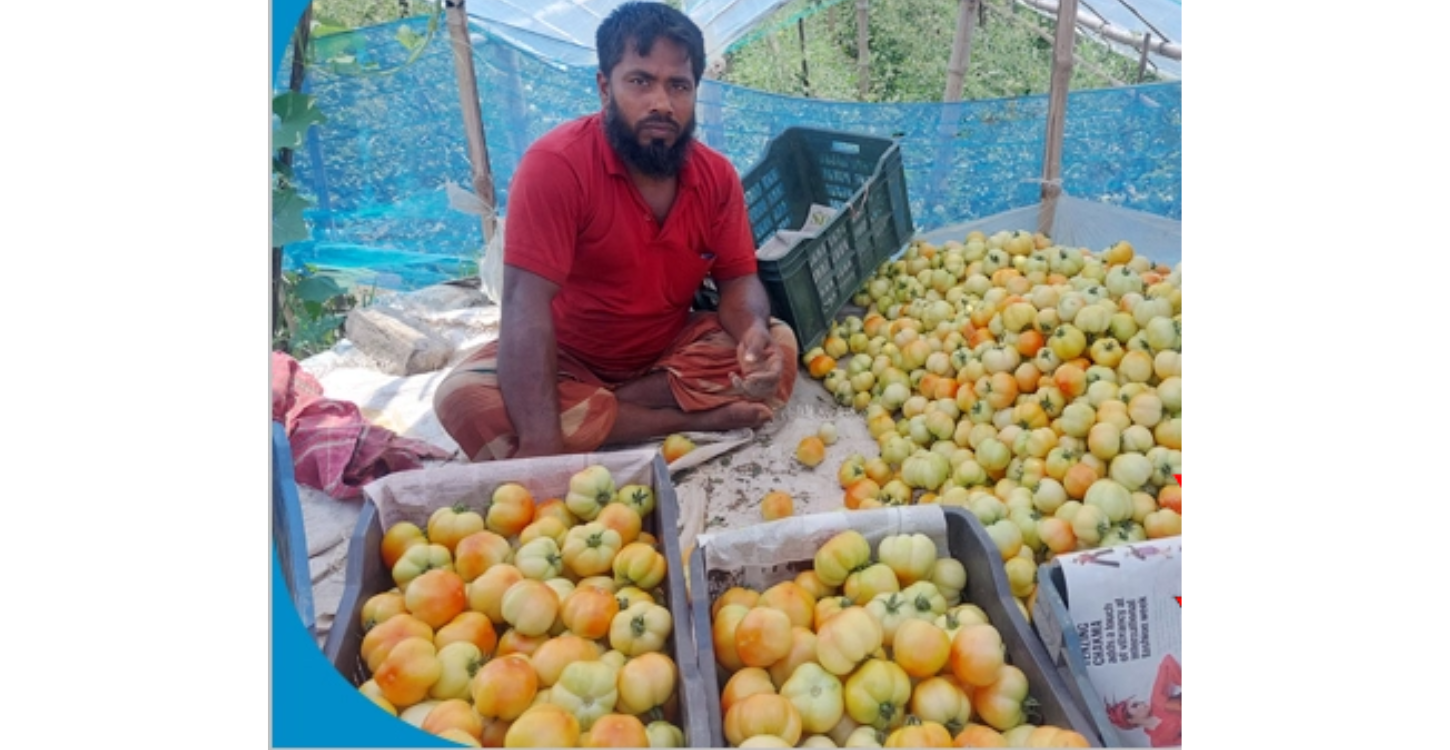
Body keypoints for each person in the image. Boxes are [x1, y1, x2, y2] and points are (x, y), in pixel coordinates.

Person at [434, 1, 798, 462]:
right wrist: (542, 447)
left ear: (694, 93)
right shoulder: (556, 165)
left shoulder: (717, 177)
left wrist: (750, 333)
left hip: (664, 352)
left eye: (678, 86)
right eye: (641, 81)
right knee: (462, 399)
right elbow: (524, 302)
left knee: (779, 347)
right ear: (605, 87)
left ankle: (605, 417)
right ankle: (685, 421)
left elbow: (739, 280)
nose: (661, 104)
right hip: (564, 359)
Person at [1105, 653, 1181, 747]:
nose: (1141, 703)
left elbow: (1167, 664)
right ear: (1131, 720)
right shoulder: (1158, 741)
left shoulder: (1157, 700)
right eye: (1135, 705)